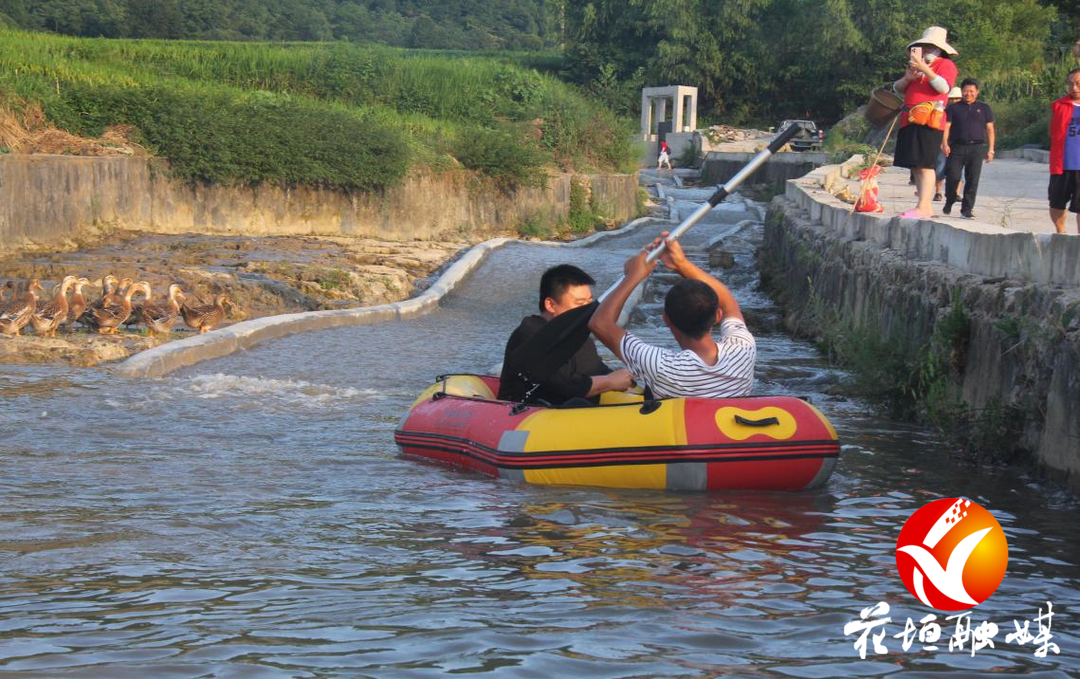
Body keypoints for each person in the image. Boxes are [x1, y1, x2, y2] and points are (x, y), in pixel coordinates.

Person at [588, 233, 755, 399]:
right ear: (718, 315)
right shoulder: (743, 349)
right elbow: (728, 302)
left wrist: (633, 276)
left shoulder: (661, 366)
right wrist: (681, 264)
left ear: (665, 319)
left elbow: (600, 324)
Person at [498, 264, 632, 404]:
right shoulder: (530, 333)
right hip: (526, 414)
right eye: (580, 304)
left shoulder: (580, 336)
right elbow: (566, 385)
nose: (588, 310)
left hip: (563, 412)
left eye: (590, 302)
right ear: (551, 305)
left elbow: (598, 371)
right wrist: (609, 381)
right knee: (578, 404)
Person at [892, 26, 958, 219]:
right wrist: (908, 77)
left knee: (925, 164)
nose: (926, 49)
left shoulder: (945, 65)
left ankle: (924, 206)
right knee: (915, 165)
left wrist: (925, 70)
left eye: (930, 46)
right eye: (923, 46)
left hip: (929, 120)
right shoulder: (915, 66)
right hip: (910, 118)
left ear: (939, 49)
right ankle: (922, 205)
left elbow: (943, 87)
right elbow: (897, 88)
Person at [943, 78, 995, 219]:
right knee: (953, 176)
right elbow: (946, 127)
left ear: (977, 92)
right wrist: (944, 143)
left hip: (976, 148)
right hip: (956, 147)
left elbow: (989, 129)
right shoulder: (953, 108)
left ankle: (967, 208)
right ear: (961, 91)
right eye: (965, 91)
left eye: (972, 91)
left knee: (972, 179)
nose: (968, 94)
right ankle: (950, 198)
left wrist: (991, 149)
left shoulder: (984, 108)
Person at [1048, 67, 1080, 235]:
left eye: (1078, 84)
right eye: (1070, 84)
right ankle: (1061, 233)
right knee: (1056, 202)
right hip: (1062, 164)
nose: (1074, 88)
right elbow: (1053, 132)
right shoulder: (1059, 105)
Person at [934, 86, 963, 201]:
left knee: (960, 170)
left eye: (957, 98)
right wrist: (942, 142)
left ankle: (955, 194)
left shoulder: (964, 111)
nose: (955, 101)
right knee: (940, 168)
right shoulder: (942, 111)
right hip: (942, 142)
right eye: (953, 98)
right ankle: (938, 192)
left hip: (959, 144)